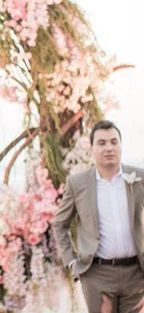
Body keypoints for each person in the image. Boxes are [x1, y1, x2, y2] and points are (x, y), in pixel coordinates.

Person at [53, 120, 144, 313]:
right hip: (97, 275)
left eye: (113, 142)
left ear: (121, 145)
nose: (109, 148)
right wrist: (71, 261)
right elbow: (60, 224)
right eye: (102, 143)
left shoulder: (139, 178)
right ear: (92, 148)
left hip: (136, 273)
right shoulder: (77, 184)